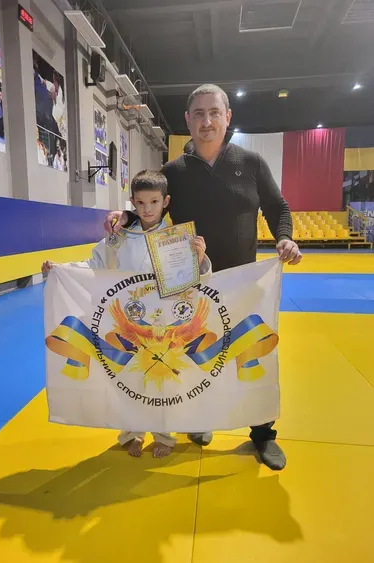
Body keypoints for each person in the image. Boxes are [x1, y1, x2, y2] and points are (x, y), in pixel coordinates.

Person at [104, 84, 302, 471]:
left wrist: (285, 237)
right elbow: (150, 207)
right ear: (187, 120)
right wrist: (122, 218)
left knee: (252, 358)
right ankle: (198, 419)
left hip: (243, 281)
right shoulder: (173, 172)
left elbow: (278, 206)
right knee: (194, 357)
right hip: (190, 285)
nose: (206, 121)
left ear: (227, 117)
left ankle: (262, 433)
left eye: (214, 112)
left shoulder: (251, 163)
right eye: (198, 113)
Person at [42, 170, 212, 458]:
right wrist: (61, 269)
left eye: (154, 202)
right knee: (128, 379)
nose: (147, 209)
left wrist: (201, 258)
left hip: (164, 322)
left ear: (165, 202)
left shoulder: (179, 238)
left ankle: (163, 435)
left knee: (162, 381)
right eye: (141, 203)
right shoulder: (119, 238)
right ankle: (132, 433)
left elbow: (198, 281)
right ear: (132, 202)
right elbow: (94, 263)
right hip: (126, 319)